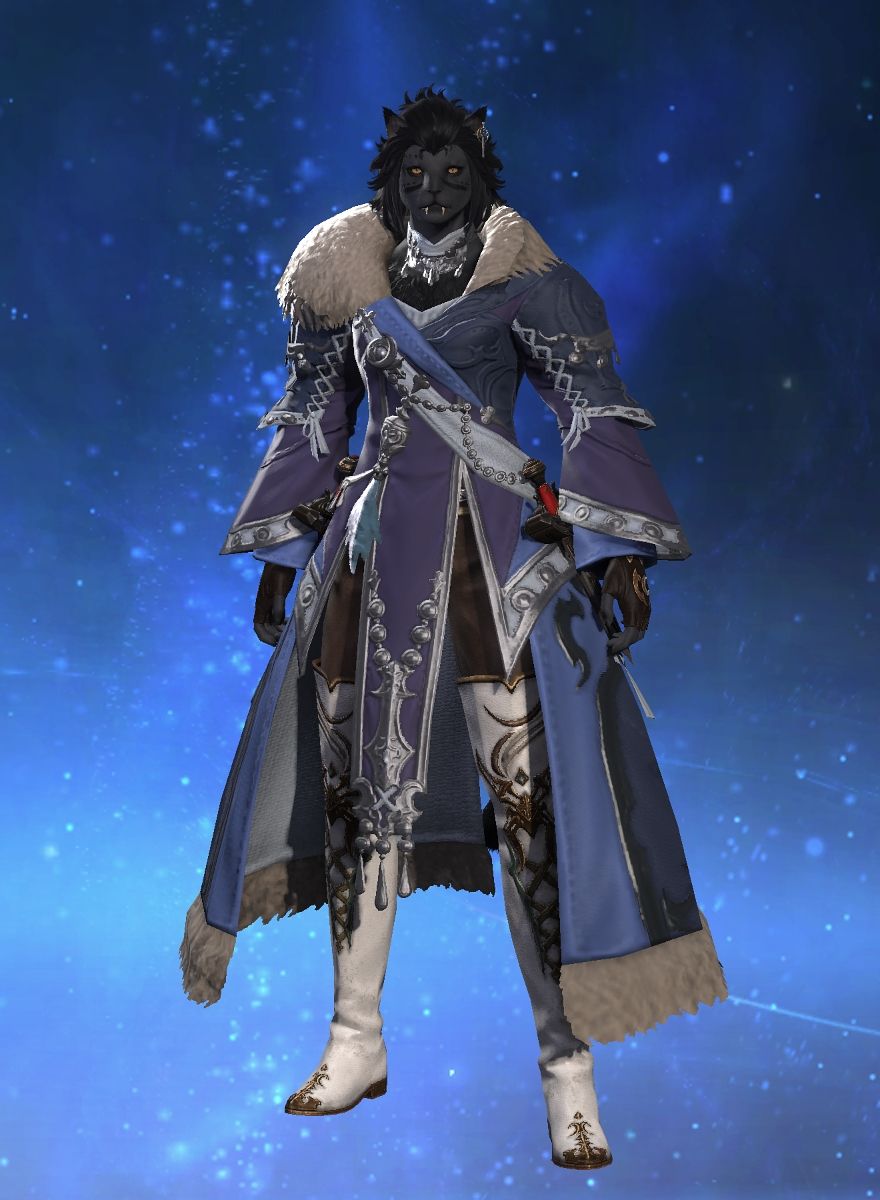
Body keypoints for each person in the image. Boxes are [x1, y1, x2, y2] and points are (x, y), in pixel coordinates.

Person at [180, 86, 728, 1171]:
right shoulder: (347, 284)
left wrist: (614, 550)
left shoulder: (528, 282)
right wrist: (284, 555)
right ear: (391, 185)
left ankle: (568, 1073)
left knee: (532, 817)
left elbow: (590, 407)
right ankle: (355, 1040)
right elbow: (314, 417)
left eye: (452, 172)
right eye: (416, 173)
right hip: (370, 559)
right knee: (360, 802)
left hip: (496, 560)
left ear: (481, 181)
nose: (433, 189)